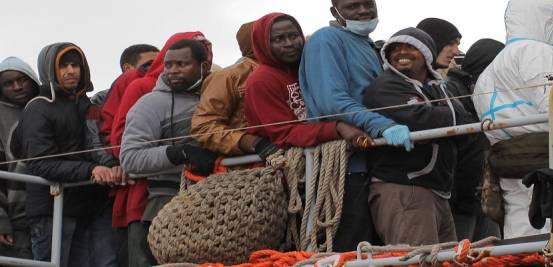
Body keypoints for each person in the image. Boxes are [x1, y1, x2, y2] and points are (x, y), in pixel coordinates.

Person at [472, 0, 553, 239]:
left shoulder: (488, 73)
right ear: (538, 19)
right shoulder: (537, 53)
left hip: (508, 163)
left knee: (522, 228)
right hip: (548, 160)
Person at [299, 0, 413, 251]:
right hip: (345, 169)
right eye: (353, 6)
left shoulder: (371, 46)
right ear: (335, 11)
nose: (363, 11)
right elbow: (332, 100)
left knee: (383, 251)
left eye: (368, 3)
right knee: (352, 250)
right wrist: (381, 125)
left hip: (379, 164)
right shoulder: (326, 39)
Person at [109, 31, 211, 267]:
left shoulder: (215, 96)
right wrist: (177, 153)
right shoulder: (150, 104)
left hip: (210, 203)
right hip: (163, 205)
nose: (173, 70)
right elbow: (130, 158)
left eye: (182, 64)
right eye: (169, 64)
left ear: (203, 66)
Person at [15, 42, 120, 266]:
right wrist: (91, 169)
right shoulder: (38, 107)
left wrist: (112, 166)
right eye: (63, 66)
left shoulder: (87, 105)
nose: (71, 71)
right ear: (49, 70)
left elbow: (96, 147)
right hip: (51, 207)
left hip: (86, 206)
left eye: (75, 65)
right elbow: (41, 163)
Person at [363, 27, 464, 245]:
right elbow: (420, 120)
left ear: (427, 53)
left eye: (410, 47)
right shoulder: (385, 86)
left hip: (436, 191)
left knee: (447, 261)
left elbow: (464, 120)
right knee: (417, 260)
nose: (401, 52)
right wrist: (447, 116)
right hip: (404, 189)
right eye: (395, 48)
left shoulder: (438, 86)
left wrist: (444, 116)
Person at [245, 13, 364, 151]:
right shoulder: (260, 80)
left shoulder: (309, 66)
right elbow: (284, 134)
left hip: (329, 152)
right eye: (279, 39)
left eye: (294, 36)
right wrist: (336, 128)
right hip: (291, 164)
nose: (289, 44)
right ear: (263, 43)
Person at [0, 57, 41, 259]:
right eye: (8, 83)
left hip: (57, 207)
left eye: (22, 80)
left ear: (32, 79)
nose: (16, 87)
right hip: (17, 216)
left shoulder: (47, 107)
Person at [446, 39, 505, 241]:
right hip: (461, 195)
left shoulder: (484, 93)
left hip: (483, 193)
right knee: (462, 254)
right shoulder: (452, 92)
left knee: (491, 253)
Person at [191, 22, 261, 156]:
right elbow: (203, 127)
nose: (289, 43)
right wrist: (249, 142)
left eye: (293, 35)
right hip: (247, 166)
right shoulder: (227, 76)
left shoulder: (296, 70)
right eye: (277, 37)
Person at [91, 44, 159, 106]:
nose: (158, 69)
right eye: (150, 65)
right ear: (127, 68)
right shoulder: (102, 99)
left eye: (161, 64)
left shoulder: (165, 95)